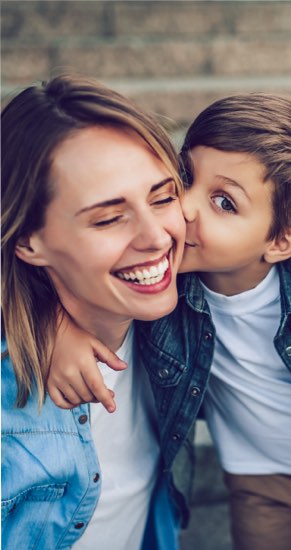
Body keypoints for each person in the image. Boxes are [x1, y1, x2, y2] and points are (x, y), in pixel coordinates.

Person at [48, 92, 291, 550]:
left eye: (224, 203)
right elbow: (52, 257)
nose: (184, 207)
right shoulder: (159, 287)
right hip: (254, 481)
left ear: (283, 243)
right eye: (186, 176)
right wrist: (57, 326)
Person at [1, 74, 188, 549]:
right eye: (109, 217)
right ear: (28, 240)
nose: (157, 237)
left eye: (163, 197)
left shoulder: (187, 322)